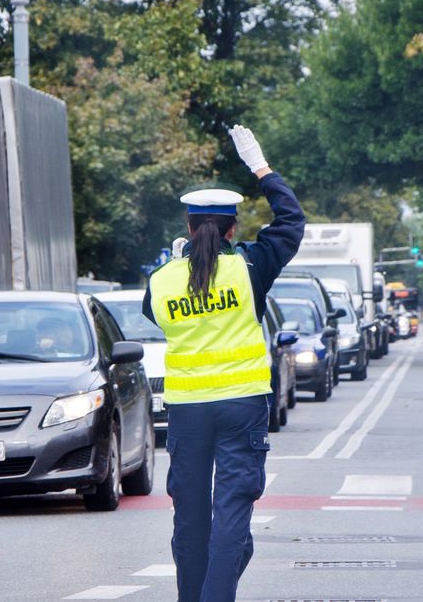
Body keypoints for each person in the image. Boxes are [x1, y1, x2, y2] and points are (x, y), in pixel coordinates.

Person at [142, 124, 305, 602]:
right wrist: (261, 168)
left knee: (190, 515)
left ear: (189, 229)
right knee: (232, 509)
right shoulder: (251, 267)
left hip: (188, 410)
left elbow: (152, 314)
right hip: (242, 406)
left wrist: (176, 262)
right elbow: (292, 221)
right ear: (233, 228)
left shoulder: (163, 280)